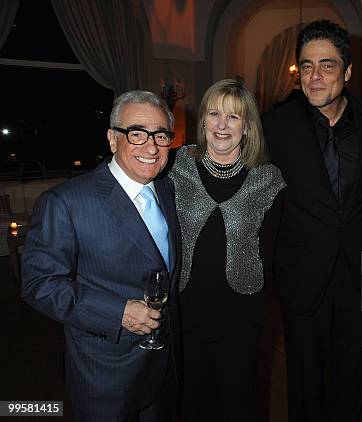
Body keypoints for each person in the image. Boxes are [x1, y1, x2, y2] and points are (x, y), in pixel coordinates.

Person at [21, 91, 180, 421]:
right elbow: (39, 284)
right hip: (105, 372)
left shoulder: (169, 190)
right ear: (112, 138)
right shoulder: (66, 202)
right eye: (136, 134)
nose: (151, 148)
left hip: (165, 367)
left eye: (161, 136)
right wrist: (117, 312)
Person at [262, 20, 362, 422]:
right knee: (304, 389)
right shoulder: (275, 125)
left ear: (347, 72)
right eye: (306, 65)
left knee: (355, 386)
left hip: (361, 279)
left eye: (327, 65)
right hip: (301, 281)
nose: (314, 76)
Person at [169, 79, 285, 421]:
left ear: (247, 127)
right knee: (192, 400)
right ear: (203, 120)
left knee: (239, 399)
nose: (222, 124)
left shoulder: (268, 178)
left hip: (240, 312)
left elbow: (272, 249)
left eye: (234, 117)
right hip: (186, 307)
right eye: (214, 113)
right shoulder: (177, 167)